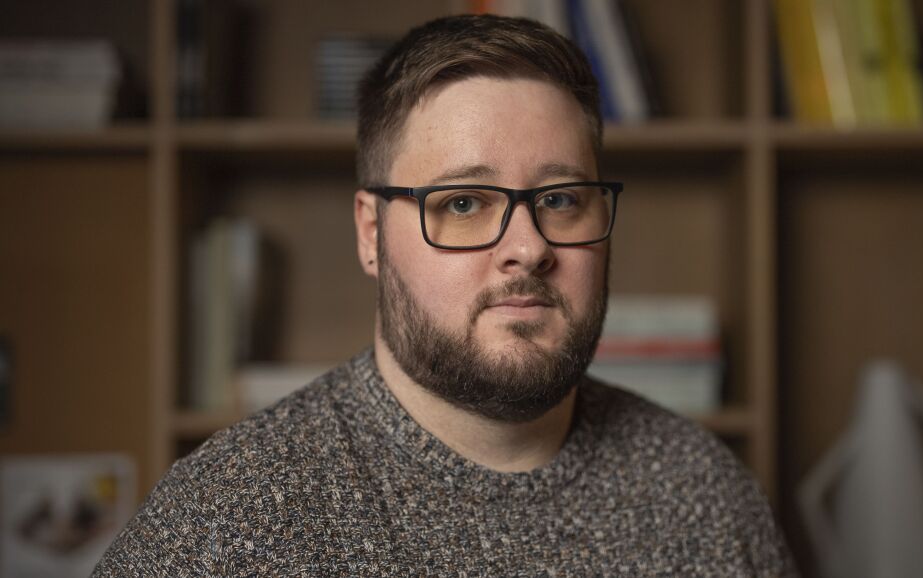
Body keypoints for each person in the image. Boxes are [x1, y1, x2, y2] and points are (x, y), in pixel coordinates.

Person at [94, 14, 794, 576]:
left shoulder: (708, 496)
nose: (529, 247)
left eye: (560, 199)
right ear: (371, 233)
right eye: (463, 203)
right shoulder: (226, 519)